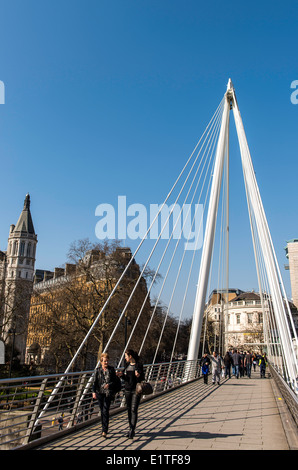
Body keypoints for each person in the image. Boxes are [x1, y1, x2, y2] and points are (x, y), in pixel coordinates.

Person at [117, 349, 144, 439]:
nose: (125, 358)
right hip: (127, 390)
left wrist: (138, 375)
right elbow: (127, 378)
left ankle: (132, 430)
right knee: (129, 409)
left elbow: (142, 377)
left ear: (130, 356)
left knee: (133, 409)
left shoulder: (139, 365)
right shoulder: (127, 365)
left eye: (126, 356)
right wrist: (121, 375)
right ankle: (130, 428)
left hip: (136, 390)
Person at [92, 352, 118, 438]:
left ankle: (104, 430)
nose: (106, 363)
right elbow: (95, 382)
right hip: (100, 393)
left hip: (108, 393)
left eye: (107, 361)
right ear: (101, 362)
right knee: (102, 410)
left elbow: (115, 381)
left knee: (105, 410)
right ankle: (103, 427)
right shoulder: (97, 370)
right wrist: (93, 392)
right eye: (104, 361)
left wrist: (109, 385)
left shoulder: (111, 370)